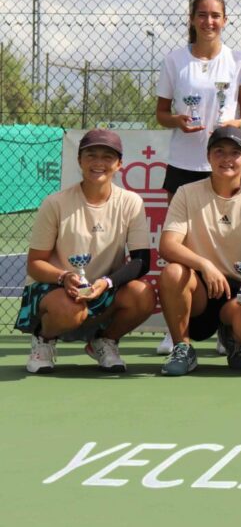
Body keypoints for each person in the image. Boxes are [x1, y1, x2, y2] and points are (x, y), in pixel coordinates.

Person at [154, 0, 241, 356]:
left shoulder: (239, 61)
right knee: (180, 247)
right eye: (202, 14)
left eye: (215, 15)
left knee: (228, 244)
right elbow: (161, 113)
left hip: (225, 167)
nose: (209, 21)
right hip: (184, 164)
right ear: (193, 19)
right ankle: (176, 328)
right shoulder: (174, 60)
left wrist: (235, 122)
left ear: (225, 20)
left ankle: (227, 325)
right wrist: (178, 120)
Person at [17, 129, 156, 373]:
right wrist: (64, 276)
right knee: (70, 310)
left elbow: (141, 261)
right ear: (79, 160)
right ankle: (44, 339)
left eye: (107, 157)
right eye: (91, 155)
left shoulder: (131, 202)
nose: (98, 163)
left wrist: (106, 282)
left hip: (103, 290)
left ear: (119, 164)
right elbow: (35, 263)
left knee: (143, 295)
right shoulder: (55, 203)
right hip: (57, 289)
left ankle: (104, 341)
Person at [157, 127, 241, 375]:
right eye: (219, 152)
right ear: (208, 156)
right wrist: (205, 265)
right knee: (173, 273)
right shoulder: (186, 192)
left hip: (238, 295)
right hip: (200, 291)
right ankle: (183, 348)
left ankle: (232, 335)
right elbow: (167, 246)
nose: (227, 159)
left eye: (235, 153)